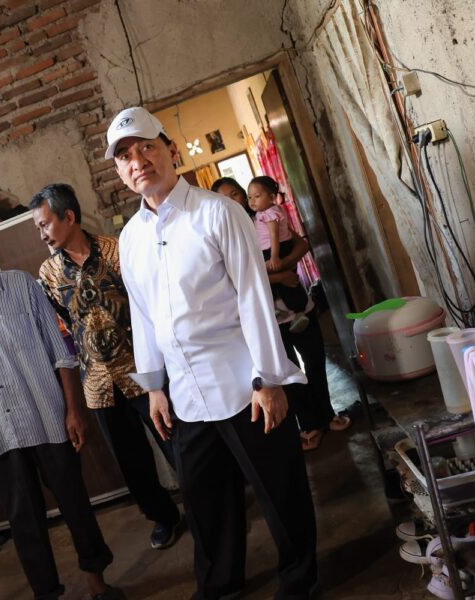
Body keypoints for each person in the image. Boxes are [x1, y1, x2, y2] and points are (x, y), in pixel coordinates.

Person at [108, 106, 319, 599]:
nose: (138, 161)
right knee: (205, 502)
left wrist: (269, 378)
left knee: (279, 491)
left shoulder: (217, 212)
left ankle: (300, 583)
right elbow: (143, 316)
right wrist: (154, 387)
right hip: (186, 394)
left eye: (146, 147)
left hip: (245, 385)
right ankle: (220, 585)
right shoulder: (131, 237)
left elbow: (253, 297)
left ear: (171, 151)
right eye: (125, 156)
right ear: (119, 171)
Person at [0, 213, 122, 600]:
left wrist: (73, 411)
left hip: (46, 419)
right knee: (23, 522)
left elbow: (60, 353)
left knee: (75, 504)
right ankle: (47, 593)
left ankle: (97, 581)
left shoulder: (20, 285)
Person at [31, 183, 183, 550]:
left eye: (45, 224)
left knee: (176, 443)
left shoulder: (118, 250)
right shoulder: (49, 272)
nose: (42, 234)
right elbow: (65, 320)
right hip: (98, 382)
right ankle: (163, 517)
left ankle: (208, 503)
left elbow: (146, 304)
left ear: (69, 216)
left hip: (143, 370)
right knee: (132, 463)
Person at [212, 177, 351, 451]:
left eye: (235, 194)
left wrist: (283, 265)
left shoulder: (265, 218)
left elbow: (302, 245)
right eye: (223, 198)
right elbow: (232, 278)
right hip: (268, 319)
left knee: (315, 361)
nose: (232, 201)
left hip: (300, 307)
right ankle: (309, 425)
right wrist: (278, 278)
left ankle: (326, 414)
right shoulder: (223, 235)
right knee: (288, 371)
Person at [248, 176, 310, 332]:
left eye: (257, 196)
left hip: (275, 249)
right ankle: (287, 310)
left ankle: (298, 311)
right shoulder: (267, 212)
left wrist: (274, 257)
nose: (252, 201)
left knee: (286, 281)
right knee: (281, 280)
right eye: (250, 197)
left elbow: (274, 235)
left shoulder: (269, 213)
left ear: (271, 197)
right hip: (276, 248)